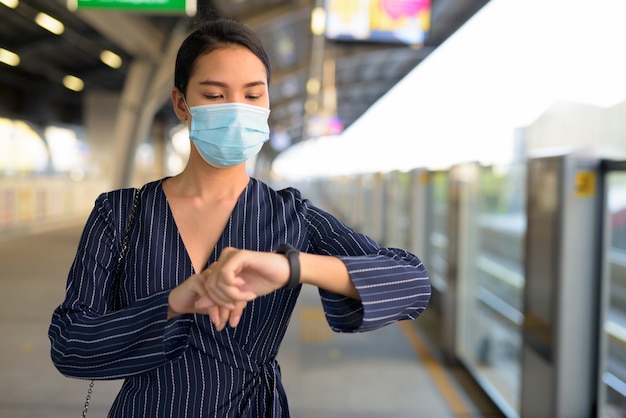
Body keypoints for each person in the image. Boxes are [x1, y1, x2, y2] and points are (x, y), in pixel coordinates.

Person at [48, 17, 431, 417]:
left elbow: (412, 284)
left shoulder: (291, 216)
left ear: (267, 106)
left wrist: (292, 268)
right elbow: (71, 346)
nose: (237, 111)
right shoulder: (120, 213)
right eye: (215, 95)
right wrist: (174, 302)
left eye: (252, 95)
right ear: (182, 103)